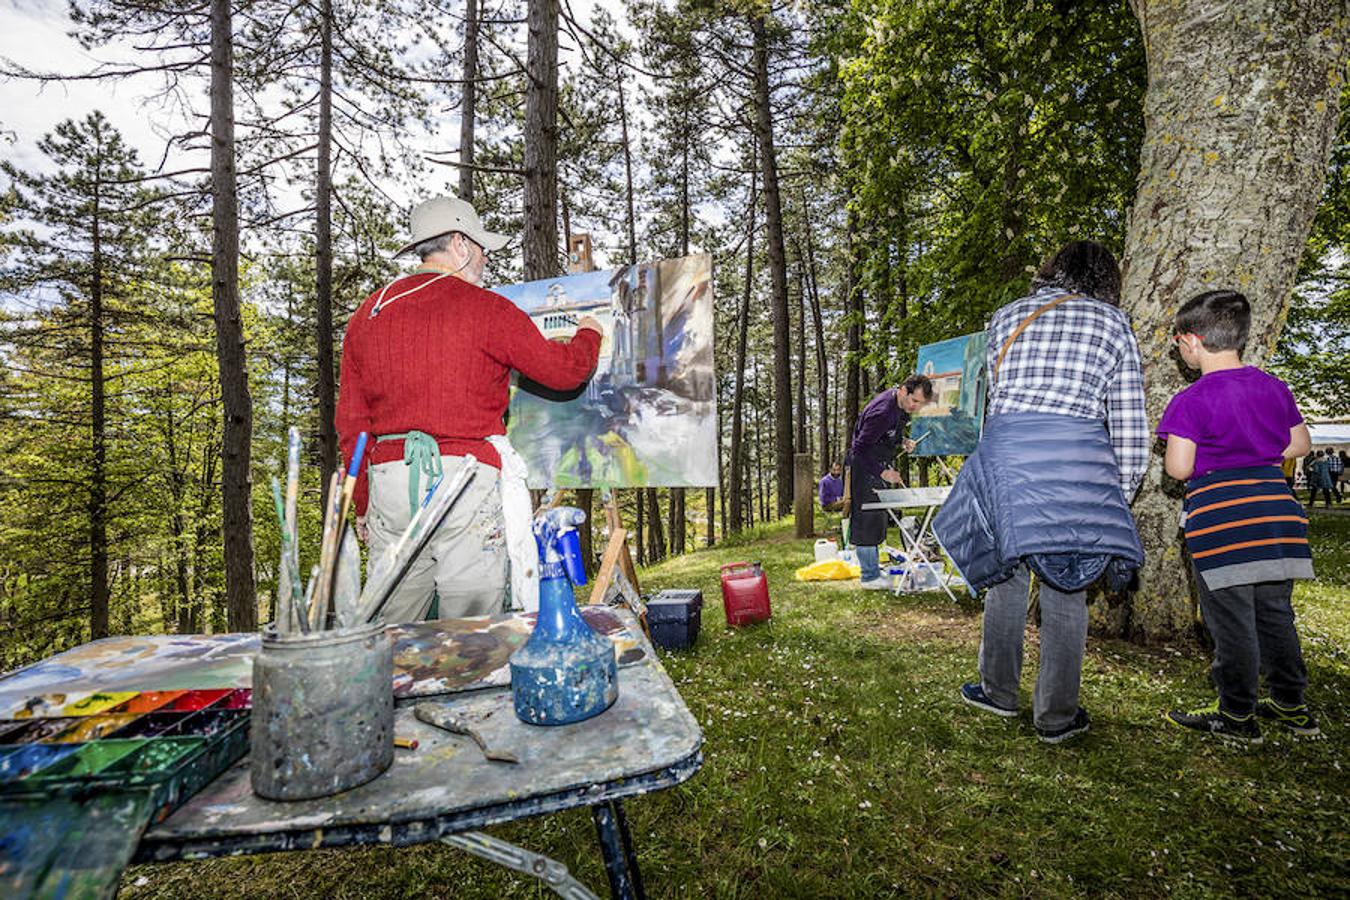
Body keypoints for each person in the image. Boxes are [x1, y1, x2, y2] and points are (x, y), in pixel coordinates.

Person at [337, 195, 602, 623]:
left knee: (388, 626)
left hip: (389, 482)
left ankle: (384, 690)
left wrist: (363, 502)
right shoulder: (487, 309)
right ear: (460, 245)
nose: (484, 259)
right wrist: (589, 334)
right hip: (463, 482)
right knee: (472, 628)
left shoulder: (370, 311)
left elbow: (352, 422)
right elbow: (562, 371)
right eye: (480, 248)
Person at [935, 240, 1146, 744]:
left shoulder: (1007, 316)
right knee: (1068, 586)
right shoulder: (1114, 324)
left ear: (1053, 270)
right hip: (1078, 460)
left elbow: (993, 402)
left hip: (1008, 453)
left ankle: (997, 691)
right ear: (1104, 279)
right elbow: (1131, 423)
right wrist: (1120, 492)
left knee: (1006, 576)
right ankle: (1056, 716)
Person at [1158, 290, 1318, 742]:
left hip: (1223, 521)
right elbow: (1300, 445)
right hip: (1277, 514)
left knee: (1230, 621)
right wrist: (1257, 451)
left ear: (1191, 341)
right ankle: (1291, 704)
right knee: (1274, 614)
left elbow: (1179, 468)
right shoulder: (1273, 387)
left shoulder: (1190, 400)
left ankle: (1237, 714)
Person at [846, 376, 935, 589]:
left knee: (877, 517)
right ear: (904, 390)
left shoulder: (901, 405)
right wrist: (882, 472)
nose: (915, 407)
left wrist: (902, 441)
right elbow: (859, 449)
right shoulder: (881, 412)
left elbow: (890, 434)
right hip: (865, 466)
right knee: (866, 517)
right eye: (914, 401)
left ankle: (874, 570)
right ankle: (868, 576)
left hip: (879, 462)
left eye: (920, 404)